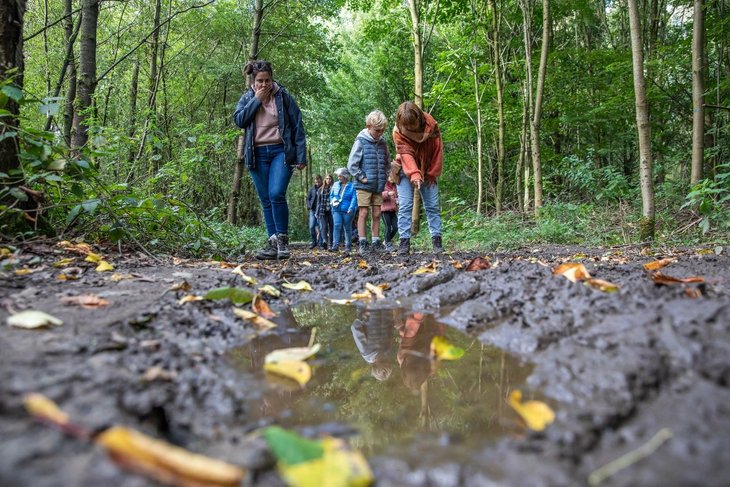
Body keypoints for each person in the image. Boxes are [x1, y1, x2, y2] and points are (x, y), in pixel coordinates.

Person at [233, 60, 307, 260]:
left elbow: (297, 125)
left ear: (272, 79)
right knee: (266, 199)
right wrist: (256, 100)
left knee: (276, 193)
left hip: (280, 151)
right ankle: (273, 243)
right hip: (256, 154)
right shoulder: (248, 97)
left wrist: (301, 156)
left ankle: (283, 240)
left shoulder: (283, 96)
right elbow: (239, 120)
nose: (264, 85)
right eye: (260, 81)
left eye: (267, 80)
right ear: (253, 81)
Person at [391, 101, 444, 255]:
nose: (411, 129)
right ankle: (404, 242)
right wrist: (414, 173)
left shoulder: (432, 126)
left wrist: (432, 172)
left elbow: (437, 150)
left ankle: (437, 241)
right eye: (407, 127)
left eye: (413, 124)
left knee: (432, 206)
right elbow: (405, 154)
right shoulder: (397, 131)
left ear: (419, 118)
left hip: (428, 170)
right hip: (404, 169)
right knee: (406, 206)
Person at [347, 110, 391, 255]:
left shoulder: (383, 143)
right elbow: (352, 164)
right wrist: (362, 177)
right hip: (364, 185)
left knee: (377, 213)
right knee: (364, 212)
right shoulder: (361, 141)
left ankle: (376, 241)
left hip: (378, 184)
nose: (380, 133)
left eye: (382, 131)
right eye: (377, 130)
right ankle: (363, 242)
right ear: (368, 126)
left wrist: (386, 176)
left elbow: (387, 162)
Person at [351, 308, 394, 381]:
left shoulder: (367, 351)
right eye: (387, 361)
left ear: (374, 365)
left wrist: (365, 316)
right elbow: (389, 327)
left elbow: (355, 327)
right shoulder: (387, 348)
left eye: (382, 361)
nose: (385, 358)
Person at [329, 167, 357, 254]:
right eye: (338, 176)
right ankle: (335, 246)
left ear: (345, 176)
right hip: (336, 209)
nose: (338, 178)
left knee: (347, 228)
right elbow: (331, 195)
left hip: (347, 210)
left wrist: (351, 208)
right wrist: (332, 201)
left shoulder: (352, 186)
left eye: (340, 176)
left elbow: (354, 198)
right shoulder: (336, 184)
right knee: (337, 226)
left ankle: (348, 246)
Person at [380, 175, 398, 252]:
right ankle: (388, 243)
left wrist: (397, 200)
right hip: (384, 210)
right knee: (388, 227)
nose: (392, 179)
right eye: (390, 177)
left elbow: (396, 196)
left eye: (393, 177)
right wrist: (387, 194)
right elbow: (379, 196)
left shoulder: (395, 186)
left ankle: (386, 241)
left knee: (396, 227)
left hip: (393, 210)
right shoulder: (383, 185)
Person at [317, 174, 334, 249]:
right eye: (327, 178)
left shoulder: (334, 188)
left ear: (332, 179)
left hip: (331, 211)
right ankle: (325, 241)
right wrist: (316, 212)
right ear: (325, 179)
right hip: (322, 210)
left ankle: (330, 244)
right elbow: (318, 202)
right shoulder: (321, 189)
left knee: (331, 227)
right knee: (324, 227)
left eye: (329, 178)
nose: (328, 180)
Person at [307, 175, 323, 249]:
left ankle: (320, 243)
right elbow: (308, 199)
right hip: (313, 211)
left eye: (319, 181)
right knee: (311, 226)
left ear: (321, 180)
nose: (317, 183)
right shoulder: (312, 189)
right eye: (316, 181)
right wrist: (309, 206)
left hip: (321, 211)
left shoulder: (324, 188)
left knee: (321, 227)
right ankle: (314, 242)